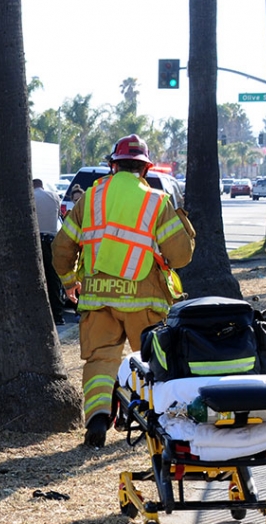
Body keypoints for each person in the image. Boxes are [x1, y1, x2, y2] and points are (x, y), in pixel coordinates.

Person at [52, 134, 195, 448]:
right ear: (144, 169)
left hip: (97, 298)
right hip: (144, 299)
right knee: (153, 362)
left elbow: (62, 248)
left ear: (111, 166)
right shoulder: (156, 201)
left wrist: (68, 281)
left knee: (101, 361)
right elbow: (182, 255)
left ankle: (98, 418)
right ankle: (155, 421)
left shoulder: (89, 200)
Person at [33, 179, 66, 326]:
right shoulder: (54, 196)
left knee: (36, 279)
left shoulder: (30, 196)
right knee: (53, 279)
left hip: (36, 241)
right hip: (52, 240)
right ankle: (58, 315)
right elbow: (58, 214)